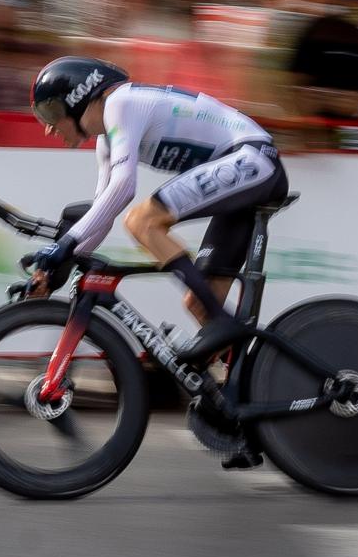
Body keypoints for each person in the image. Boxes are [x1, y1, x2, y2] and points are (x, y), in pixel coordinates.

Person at [22, 57, 286, 367]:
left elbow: (124, 188)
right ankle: (249, 385)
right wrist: (56, 270)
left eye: (50, 112)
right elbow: (103, 213)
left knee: (143, 220)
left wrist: (64, 245)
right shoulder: (106, 141)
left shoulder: (120, 103)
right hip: (243, 169)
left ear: (79, 98)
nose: (49, 128)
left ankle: (222, 322)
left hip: (252, 158)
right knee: (199, 303)